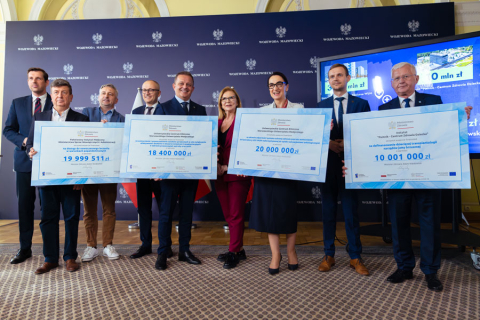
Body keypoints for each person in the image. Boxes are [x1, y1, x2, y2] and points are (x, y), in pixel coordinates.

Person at [343, 62, 472, 291]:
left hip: (428, 177)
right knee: (399, 224)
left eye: (405, 77)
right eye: (396, 78)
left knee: (429, 224)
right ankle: (404, 267)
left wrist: (460, 119)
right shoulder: (384, 110)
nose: (401, 81)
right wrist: (355, 165)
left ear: (416, 78)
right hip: (396, 178)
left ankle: (431, 272)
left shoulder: (434, 102)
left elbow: (446, 132)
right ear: (391, 83)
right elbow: (373, 144)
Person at [27, 79, 88, 274]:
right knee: (48, 218)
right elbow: (30, 144)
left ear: (70, 97)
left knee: (71, 217)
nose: (60, 96)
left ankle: (70, 257)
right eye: (56, 92)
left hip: (71, 180)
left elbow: (86, 151)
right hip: (46, 177)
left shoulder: (82, 119)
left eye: (64, 93)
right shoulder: (39, 117)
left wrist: (81, 178)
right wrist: (31, 151)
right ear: (50, 95)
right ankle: (50, 258)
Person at [317, 64, 370, 276]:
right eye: (331, 76)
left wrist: (346, 145)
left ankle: (355, 256)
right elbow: (315, 137)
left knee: (351, 213)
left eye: (339, 75)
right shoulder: (320, 106)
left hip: (352, 166)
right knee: (328, 212)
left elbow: (367, 135)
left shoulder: (362, 104)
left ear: (348, 78)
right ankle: (328, 254)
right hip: (328, 167)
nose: (336, 79)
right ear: (328, 81)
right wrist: (331, 144)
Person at [249, 72, 302, 275]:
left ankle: (291, 251)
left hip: (290, 169)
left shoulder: (300, 110)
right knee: (270, 214)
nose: (275, 88)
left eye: (279, 84)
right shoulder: (261, 112)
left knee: (287, 211)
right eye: (271, 85)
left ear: (286, 86)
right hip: (267, 171)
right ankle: (275, 255)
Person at [153, 71, 207, 270]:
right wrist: (158, 168)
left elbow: (203, 141)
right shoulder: (163, 108)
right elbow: (156, 138)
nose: (185, 87)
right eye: (181, 84)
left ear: (193, 88)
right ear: (174, 86)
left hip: (190, 172)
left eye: (189, 84)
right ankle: (163, 252)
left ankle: (184, 250)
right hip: (168, 173)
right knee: (166, 213)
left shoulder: (200, 110)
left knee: (186, 213)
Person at [3, 68, 53, 265]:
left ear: (46, 82)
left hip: (49, 162)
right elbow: (8, 129)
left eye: (38, 78)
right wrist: (24, 141)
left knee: (48, 208)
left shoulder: (55, 101)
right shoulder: (18, 103)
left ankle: (50, 251)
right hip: (24, 162)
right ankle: (25, 249)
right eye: (31, 78)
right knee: (25, 207)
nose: (34, 81)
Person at [80, 84, 125, 262]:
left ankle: (107, 245)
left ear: (116, 100)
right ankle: (91, 246)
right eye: (104, 93)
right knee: (89, 210)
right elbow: (79, 135)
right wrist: (97, 129)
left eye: (111, 94)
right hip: (88, 169)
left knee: (109, 210)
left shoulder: (121, 119)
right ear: (98, 97)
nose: (106, 96)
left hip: (109, 170)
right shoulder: (86, 113)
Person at [129, 80, 167, 259]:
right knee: (143, 209)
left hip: (161, 171)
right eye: (144, 90)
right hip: (142, 169)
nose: (147, 93)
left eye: (151, 90)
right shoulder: (136, 111)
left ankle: (165, 246)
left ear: (159, 93)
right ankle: (145, 244)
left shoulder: (167, 110)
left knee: (164, 209)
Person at [215, 87, 252, 269]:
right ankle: (239, 248)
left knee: (236, 214)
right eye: (224, 99)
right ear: (220, 103)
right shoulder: (218, 122)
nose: (227, 101)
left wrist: (227, 167)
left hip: (237, 173)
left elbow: (249, 147)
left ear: (237, 101)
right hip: (219, 175)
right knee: (228, 214)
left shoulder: (243, 121)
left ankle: (234, 251)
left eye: (231, 98)